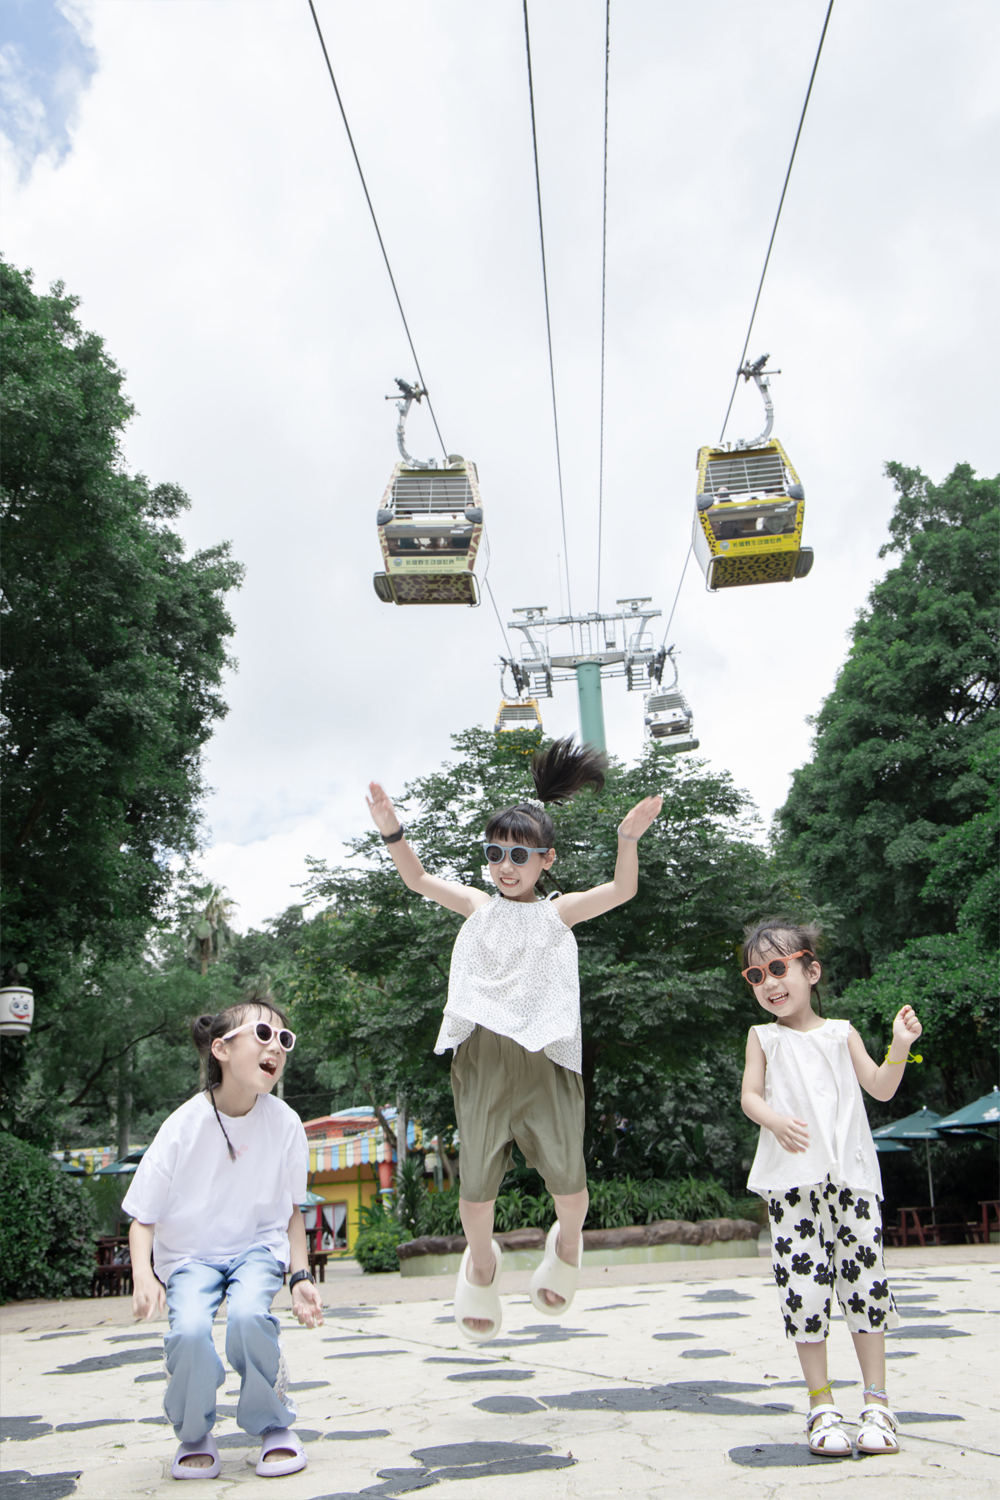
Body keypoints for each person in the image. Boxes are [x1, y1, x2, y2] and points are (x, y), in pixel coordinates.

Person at [366, 737, 661, 1342]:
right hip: (483, 1060)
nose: (506, 865)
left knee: (571, 1192)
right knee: (475, 1194)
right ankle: (481, 1264)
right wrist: (393, 832)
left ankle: (569, 1244)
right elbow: (417, 878)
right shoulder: (477, 906)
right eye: (496, 852)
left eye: (519, 855)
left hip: (547, 1059)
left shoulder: (559, 913)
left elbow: (623, 892)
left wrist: (627, 841)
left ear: (546, 861)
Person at [739, 920, 923, 1458]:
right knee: (805, 1289)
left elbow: (882, 1089)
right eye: (756, 974)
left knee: (865, 1286)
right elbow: (750, 1096)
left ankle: (877, 1403)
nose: (768, 982)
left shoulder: (842, 1032)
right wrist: (773, 1119)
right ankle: (821, 1404)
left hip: (850, 1179)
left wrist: (899, 1045)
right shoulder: (762, 1037)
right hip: (791, 1184)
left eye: (778, 968)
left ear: (810, 970)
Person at [123, 994, 324, 1480]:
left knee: (250, 1318)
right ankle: (194, 1433)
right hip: (190, 1258)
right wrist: (143, 1276)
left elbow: (292, 1209)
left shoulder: (286, 1123)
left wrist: (299, 1276)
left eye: (283, 1039)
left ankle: (273, 1426)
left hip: (256, 1249)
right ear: (221, 1049)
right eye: (261, 1034)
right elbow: (141, 1217)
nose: (274, 1046)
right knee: (190, 1330)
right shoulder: (182, 1126)